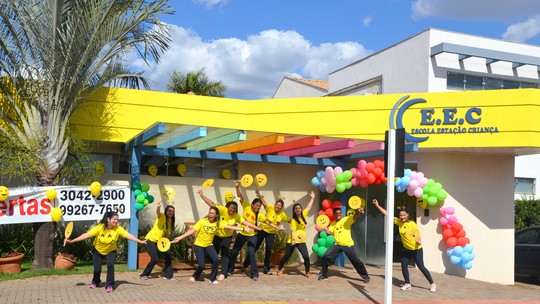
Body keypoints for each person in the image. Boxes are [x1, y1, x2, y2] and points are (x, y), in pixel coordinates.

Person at [66, 211, 147, 292]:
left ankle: (110, 284)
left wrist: (139, 241)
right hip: (97, 250)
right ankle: (96, 281)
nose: (116, 221)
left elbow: (128, 235)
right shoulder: (100, 227)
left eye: (117, 219)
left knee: (110, 265)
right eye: (114, 219)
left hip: (111, 251)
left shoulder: (118, 229)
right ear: (108, 219)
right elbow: (87, 235)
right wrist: (73, 240)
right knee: (97, 269)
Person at [372, 199, 436, 292]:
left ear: (407, 215)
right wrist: (377, 206)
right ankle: (407, 283)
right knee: (404, 265)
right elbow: (387, 214)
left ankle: (432, 284)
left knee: (421, 266)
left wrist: (419, 240)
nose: (402, 217)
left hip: (416, 249)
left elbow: (416, 234)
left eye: (404, 215)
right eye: (401, 215)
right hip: (406, 249)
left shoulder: (411, 224)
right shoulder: (399, 222)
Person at [171, 206, 246, 285]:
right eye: (210, 212)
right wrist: (180, 237)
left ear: (216, 215)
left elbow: (229, 227)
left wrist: (243, 229)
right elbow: (192, 231)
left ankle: (212, 278)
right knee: (201, 265)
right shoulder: (202, 221)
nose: (210, 214)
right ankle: (195, 275)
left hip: (209, 245)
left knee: (216, 260)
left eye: (212, 213)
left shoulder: (218, 223)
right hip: (199, 245)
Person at [227, 180, 281, 281]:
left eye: (259, 207)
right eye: (256, 205)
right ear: (252, 204)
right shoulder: (246, 206)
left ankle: (254, 274)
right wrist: (237, 187)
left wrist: (278, 228)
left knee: (252, 253)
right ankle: (230, 270)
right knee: (234, 252)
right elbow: (240, 196)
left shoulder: (259, 215)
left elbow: (268, 222)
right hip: (242, 234)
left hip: (252, 236)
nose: (257, 207)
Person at [197, 187, 251, 281]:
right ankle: (213, 272)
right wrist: (202, 195)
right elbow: (211, 203)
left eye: (234, 208)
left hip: (227, 237)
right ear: (227, 207)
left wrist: (256, 228)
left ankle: (223, 273)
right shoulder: (222, 209)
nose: (232, 209)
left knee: (225, 254)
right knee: (214, 254)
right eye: (231, 207)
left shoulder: (236, 216)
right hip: (216, 236)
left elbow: (246, 222)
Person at [241, 188, 289, 275]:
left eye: (280, 205)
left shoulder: (282, 214)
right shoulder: (269, 208)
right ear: (274, 205)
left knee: (268, 250)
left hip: (271, 234)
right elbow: (263, 202)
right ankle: (245, 265)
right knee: (254, 248)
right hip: (262, 230)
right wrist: (258, 193)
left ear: (281, 207)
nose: (278, 206)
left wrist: (297, 219)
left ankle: (266, 269)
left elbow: (289, 220)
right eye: (277, 204)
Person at [318, 206, 370, 283]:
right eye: (337, 213)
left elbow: (354, 217)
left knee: (355, 260)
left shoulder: (346, 219)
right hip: (337, 244)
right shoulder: (333, 224)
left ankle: (365, 276)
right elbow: (331, 232)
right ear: (334, 214)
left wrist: (358, 212)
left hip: (347, 244)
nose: (338, 214)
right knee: (325, 256)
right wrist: (327, 231)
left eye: (340, 213)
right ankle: (324, 275)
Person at [276, 190, 315, 278]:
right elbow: (293, 231)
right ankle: (279, 269)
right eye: (296, 208)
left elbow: (308, 207)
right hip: (292, 240)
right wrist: (293, 240)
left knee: (306, 256)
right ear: (294, 210)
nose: (298, 209)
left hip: (301, 241)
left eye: (299, 208)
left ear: (301, 209)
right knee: (287, 255)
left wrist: (312, 198)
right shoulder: (293, 220)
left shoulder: (304, 215)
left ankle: (307, 272)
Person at [139, 201, 176, 280]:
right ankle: (144, 274)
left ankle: (168, 275)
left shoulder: (169, 222)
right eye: (169, 211)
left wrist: (167, 245)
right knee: (155, 259)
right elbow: (158, 212)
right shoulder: (162, 216)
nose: (171, 212)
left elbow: (165, 235)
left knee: (168, 254)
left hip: (159, 242)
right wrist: (158, 206)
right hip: (150, 240)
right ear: (166, 211)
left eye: (172, 211)